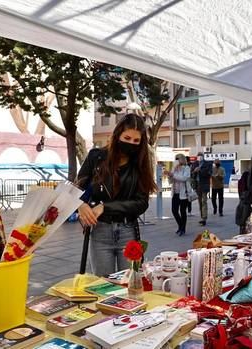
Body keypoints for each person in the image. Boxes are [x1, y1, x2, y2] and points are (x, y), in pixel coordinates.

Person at [76, 114, 156, 277]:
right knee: (102, 285)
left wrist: (105, 207)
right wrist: (81, 205)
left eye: (136, 141)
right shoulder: (96, 157)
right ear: (117, 134)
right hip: (100, 230)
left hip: (128, 231)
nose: (131, 144)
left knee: (129, 284)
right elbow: (76, 190)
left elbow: (141, 203)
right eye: (127, 138)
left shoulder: (140, 164)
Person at [167, 154, 190, 236]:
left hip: (183, 194)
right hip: (175, 193)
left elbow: (184, 178)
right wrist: (169, 175)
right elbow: (171, 181)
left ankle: (183, 228)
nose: (176, 160)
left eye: (178, 158)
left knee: (183, 211)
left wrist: (174, 174)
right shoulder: (174, 168)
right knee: (174, 211)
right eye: (175, 158)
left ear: (182, 159)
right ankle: (180, 225)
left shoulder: (186, 168)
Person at [191, 152, 212, 226]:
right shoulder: (194, 164)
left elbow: (209, 174)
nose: (199, 157)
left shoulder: (208, 164)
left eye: (201, 156)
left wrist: (200, 170)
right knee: (200, 202)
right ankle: (202, 216)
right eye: (198, 156)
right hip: (197, 185)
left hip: (204, 185)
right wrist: (194, 171)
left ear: (203, 157)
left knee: (204, 201)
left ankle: (204, 218)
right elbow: (191, 174)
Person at [235, 166, 252, 234]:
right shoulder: (249, 174)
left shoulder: (247, 174)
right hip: (247, 200)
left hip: (244, 199)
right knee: (245, 218)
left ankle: (242, 231)